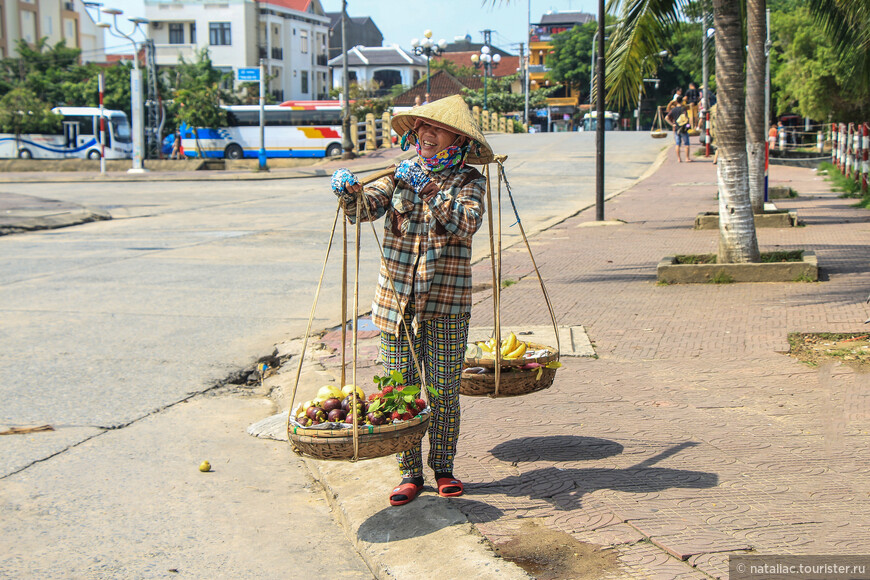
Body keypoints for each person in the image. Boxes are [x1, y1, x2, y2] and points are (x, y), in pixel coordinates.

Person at [330, 95, 492, 506]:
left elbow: (465, 223)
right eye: (421, 127)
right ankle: (408, 473)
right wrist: (349, 193)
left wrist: (431, 188)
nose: (426, 134)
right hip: (396, 304)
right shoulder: (399, 175)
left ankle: (443, 468)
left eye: (436, 128)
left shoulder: (470, 180)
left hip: (446, 303)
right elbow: (366, 209)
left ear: (457, 137)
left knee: (441, 391)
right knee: (400, 391)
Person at [666, 96, 692, 162]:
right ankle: (687, 158)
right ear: (682, 101)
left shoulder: (673, 110)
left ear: (676, 101)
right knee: (686, 144)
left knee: (677, 144)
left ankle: (679, 159)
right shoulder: (683, 109)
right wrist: (689, 125)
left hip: (677, 128)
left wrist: (673, 124)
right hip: (683, 128)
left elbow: (666, 118)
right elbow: (686, 117)